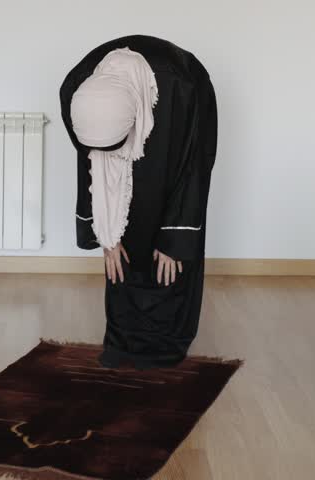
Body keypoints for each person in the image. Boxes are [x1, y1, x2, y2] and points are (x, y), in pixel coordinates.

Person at [60, 35, 217, 368]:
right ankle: (123, 338)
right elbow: (90, 165)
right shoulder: (75, 89)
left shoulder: (181, 86)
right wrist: (106, 235)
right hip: (116, 141)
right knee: (122, 237)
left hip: (173, 126)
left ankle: (166, 344)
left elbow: (193, 168)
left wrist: (176, 236)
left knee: (167, 254)